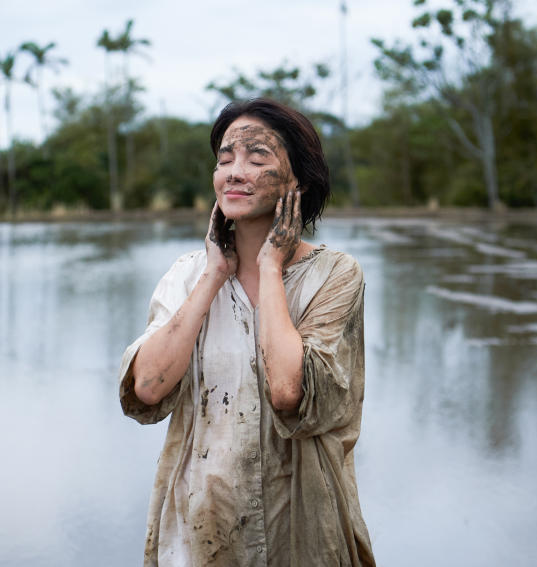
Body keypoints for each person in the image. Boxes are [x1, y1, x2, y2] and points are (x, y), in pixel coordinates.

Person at [119, 98, 375, 566]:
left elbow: (287, 392)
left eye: (258, 158)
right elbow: (149, 386)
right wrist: (214, 276)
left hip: (300, 524)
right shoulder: (187, 275)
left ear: (298, 179)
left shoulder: (336, 276)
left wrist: (271, 266)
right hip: (202, 523)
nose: (235, 172)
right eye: (224, 159)